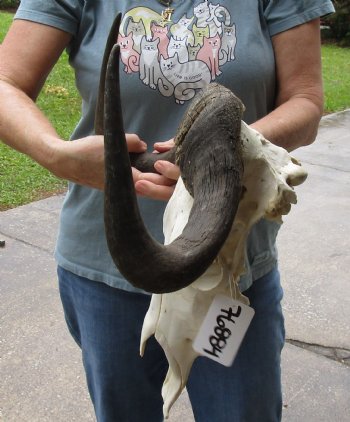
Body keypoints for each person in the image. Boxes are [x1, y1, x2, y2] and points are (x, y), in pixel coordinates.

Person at [0, 1, 334, 421]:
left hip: (229, 274)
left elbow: (305, 100)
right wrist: (56, 155)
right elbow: (5, 82)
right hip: (106, 271)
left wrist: (219, 150)